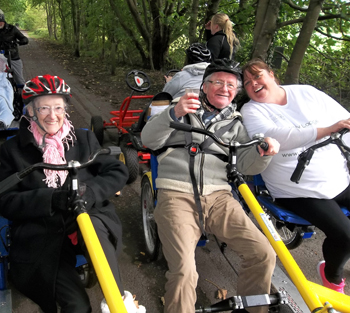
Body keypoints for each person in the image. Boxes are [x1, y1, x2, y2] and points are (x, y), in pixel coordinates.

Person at [141, 58, 280, 313]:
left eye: (231, 85)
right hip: (176, 194)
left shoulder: (237, 124)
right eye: (218, 82)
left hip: (220, 198)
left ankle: (254, 310)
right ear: (205, 86)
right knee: (184, 271)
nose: (225, 88)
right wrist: (175, 113)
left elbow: (247, 167)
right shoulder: (178, 107)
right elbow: (148, 140)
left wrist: (265, 151)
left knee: (263, 254)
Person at [0, 74, 145, 313]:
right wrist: (50, 199)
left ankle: (118, 301)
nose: (52, 115)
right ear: (31, 111)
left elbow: (116, 170)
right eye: (43, 107)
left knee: (93, 222)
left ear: (65, 109)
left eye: (58, 107)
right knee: (77, 307)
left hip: (88, 222)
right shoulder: (12, 151)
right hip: (42, 235)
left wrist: (90, 193)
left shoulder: (84, 139)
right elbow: (5, 200)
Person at [240, 58, 350, 294]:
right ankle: (332, 277)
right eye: (247, 83)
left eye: (257, 76)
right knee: (345, 235)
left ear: (272, 75)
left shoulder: (307, 93)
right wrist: (325, 130)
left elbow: (345, 120)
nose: (253, 84)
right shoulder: (250, 110)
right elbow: (275, 136)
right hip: (296, 190)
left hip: (339, 176)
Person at [0, 9, 28, 86]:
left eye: (0, 21)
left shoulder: (12, 29)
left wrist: (19, 42)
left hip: (13, 57)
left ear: (3, 19)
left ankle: (23, 95)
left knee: (19, 79)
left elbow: (24, 39)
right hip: (0, 58)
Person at [0, 53, 14, 129]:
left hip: (1, 92)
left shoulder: (2, 59)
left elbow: (6, 82)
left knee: (5, 107)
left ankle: (3, 121)